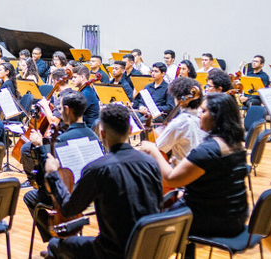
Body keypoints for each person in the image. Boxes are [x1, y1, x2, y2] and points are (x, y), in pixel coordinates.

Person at [43, 104, 162, 259]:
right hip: (150, 248)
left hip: (114, 252)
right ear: (131, 131)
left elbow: (68, 209)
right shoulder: (151, 162)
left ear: (102, 134)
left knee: (54, 245)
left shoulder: (98, 168)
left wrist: (53, 174)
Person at [139, 93, 248, 259]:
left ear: (216, 117)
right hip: (236, 215)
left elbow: (170, 178)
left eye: (203, 111)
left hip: (215, 220)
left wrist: (153, 150)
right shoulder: (235, 144)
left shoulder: (207, 151)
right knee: (178, 199)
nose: (198, 114)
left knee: (149, 224)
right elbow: (217, 182)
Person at [23, 91, 100, 242]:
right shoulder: (93, 135)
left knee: (30, 196)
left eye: (59, 107)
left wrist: (39, 146)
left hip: (72, 196)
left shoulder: (62, 139)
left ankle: (56, 239)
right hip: (93, 195)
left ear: (67, 109)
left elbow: (49, 172)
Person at [155, 77, 205, 164]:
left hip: (184, 172)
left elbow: (158, 149)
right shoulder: (204, 118)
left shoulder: (179, 123)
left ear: (178, 99)